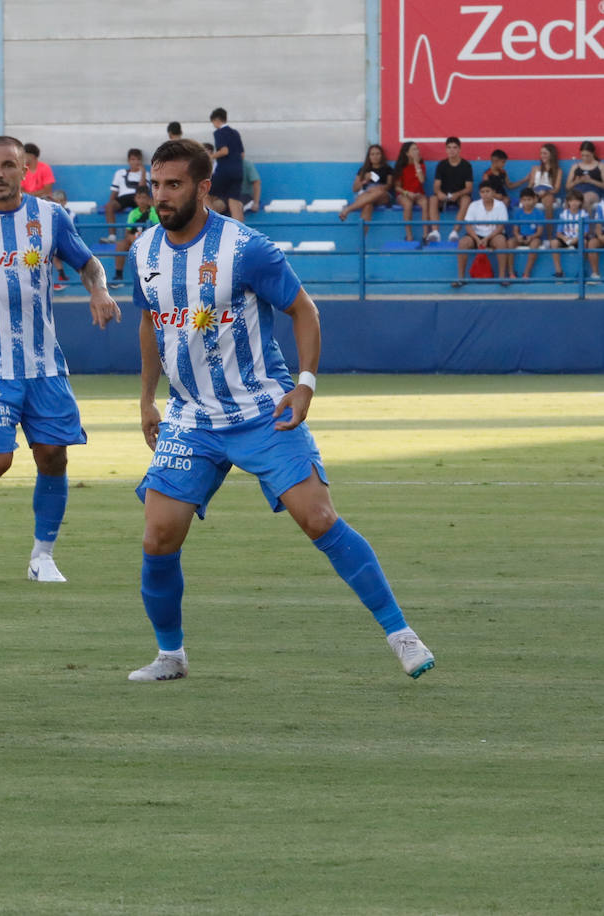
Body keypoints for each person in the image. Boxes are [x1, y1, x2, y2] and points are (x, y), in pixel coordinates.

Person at [126, 138, 435, 684]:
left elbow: (303, 309)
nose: (161, 196)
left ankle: (401, 634)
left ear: (202, 188)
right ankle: (170, 656)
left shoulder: (246, 248)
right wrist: (148, 398)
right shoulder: (142, 251)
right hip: (191, 419)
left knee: (317, 517)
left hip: (261, 411)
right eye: (156, 185)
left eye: (173, 185)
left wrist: (306, 385)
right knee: (157, 538)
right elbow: (151, 323)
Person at [0, 135, 120, 581]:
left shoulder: (50, 217)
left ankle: (42, 557)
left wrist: (100, 290)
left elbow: (89, 264)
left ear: (23, 169)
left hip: (44, 362)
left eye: (8, 165)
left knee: (53, 455)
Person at [452, 182, 509, 288]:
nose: (485, 194)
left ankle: (502, 277)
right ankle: (461, 278)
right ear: (479, 193)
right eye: (483, 192)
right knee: (463, 243)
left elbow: (501, 227)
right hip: (476, 235)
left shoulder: (500, 205)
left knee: (501, 241)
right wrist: (477, 239)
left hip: (493, 236)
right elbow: (468, 225)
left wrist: (487, 238)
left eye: (488, 191)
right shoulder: (474, 205)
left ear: (493, 192)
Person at [430, 136, 474, 243]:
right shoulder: (441, 165)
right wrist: (439, 193)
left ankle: (454, 232)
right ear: (445, 149)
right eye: (449, 147)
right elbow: (436, 186)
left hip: (458, 196)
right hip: (444, 197)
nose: (451, 150)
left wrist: (457, 194)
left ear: (459, 149)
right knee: (433, 199)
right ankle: (435, 232)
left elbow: (469, 188)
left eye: (454, 147)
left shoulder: (466, 165)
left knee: (466, 199)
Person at [112, 185, 158, 285]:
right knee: (121, 245)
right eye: (139, 198)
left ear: (149, 199)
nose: (141, 200)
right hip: (135, 241)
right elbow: (128, 233)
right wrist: (133, 239)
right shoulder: (133, 213)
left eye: (144, 198)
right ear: (135, 199)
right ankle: (118, 276)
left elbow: (159, 230)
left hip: (150, 241)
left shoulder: (154, 212)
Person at [338, 144, 394, 224]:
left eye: (378, 154)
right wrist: (365, 181)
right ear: (369, 156)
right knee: (368, 205)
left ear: (382, 155)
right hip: (366, 194)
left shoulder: (388, 169)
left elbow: (389, 186)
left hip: (382, 195)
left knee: (378, 192)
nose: (375, 156)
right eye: (372, 154)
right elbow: (355, 189)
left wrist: (377, 188)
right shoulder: (363, 169)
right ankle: (362, 236)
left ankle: (348, 209)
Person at [102, 147, 147, 242]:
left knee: (146, 208)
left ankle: (143, 236)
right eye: (133, 159)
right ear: (129, 161)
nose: (136, 162)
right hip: (123, 198)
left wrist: (142, 172)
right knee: (109, 206)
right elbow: (114, 191)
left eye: (138, 159)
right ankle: (112, 236)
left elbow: (143, 190)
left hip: (138, 197)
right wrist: (111, 203)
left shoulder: (146, 174)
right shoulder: (120, 173)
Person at [208, 107, 245, 221]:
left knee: (204, 193)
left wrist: (211, 156)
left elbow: (224, 151)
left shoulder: (219, 132)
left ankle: (210, 224)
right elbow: (242, 154)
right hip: (238, 171)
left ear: (216, 120)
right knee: (234, 201)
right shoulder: (235, 133)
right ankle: (240, 231)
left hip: (224, 171)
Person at [393, 141, 434, 243]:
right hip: (404, 194)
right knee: (408, 204)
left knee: (425, 203)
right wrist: (407, 193)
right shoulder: (401, 167)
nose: (417, 151)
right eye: (414, 149)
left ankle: (425, 234)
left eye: (417, 149)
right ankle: (409, 235)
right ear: (407, 153)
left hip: (419, 193)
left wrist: (416, 163)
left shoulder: (421, 166)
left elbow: (422, 180)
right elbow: (397, 187)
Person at [512, 143, 561, 221]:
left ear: (552, 155)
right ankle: (527, 229)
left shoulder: (558, 170)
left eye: (545, 153)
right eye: (541, 153)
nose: (542, 156)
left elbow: (556, 189)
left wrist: (546, 192)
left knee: (548, 203)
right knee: (526, 203)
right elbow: (531, 184)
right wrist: (528, 194)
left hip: (547, 193)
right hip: (535, 193)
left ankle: (549, 232)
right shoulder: (535, 168)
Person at [507, 187, 544, 280]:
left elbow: (539, 232)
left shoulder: (539, 213)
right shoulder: (518, 213)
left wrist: (531, 237)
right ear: (521, 200)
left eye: (529, 199)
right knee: (510, 243)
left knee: (535, 244)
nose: (527, 202)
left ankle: (526, 273)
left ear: (534, 199)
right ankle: (511, 272)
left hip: (534, 237)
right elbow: (515, 230)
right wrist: (518, 236)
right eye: (524, 200)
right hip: (521, 237)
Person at [549, 189, 586, 278]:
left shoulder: (584, 214)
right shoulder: (563, 215)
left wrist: (576, 239)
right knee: (553, 243)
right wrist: (564, 238)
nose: (574, 203)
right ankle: (559, 271)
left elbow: (585, 232)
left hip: (578, 239)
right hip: (565, 239)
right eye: (571, 200)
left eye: (577, 200)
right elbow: (558, 233)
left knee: (585, 242)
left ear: (581, 202)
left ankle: (581, 271)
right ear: (568, 202)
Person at [565, 141, 604, 210]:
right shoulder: (575, 167)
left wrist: (590, 181)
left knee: (584, 200)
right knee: (568, 201)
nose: (585, 158)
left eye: (587, 156)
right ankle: (570, 220)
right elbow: (567, 187)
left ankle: (587, 220)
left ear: (593, 153)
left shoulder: (600, 166)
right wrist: (578, 181)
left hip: (593, 192)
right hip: (577, 191)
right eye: (582, 155)